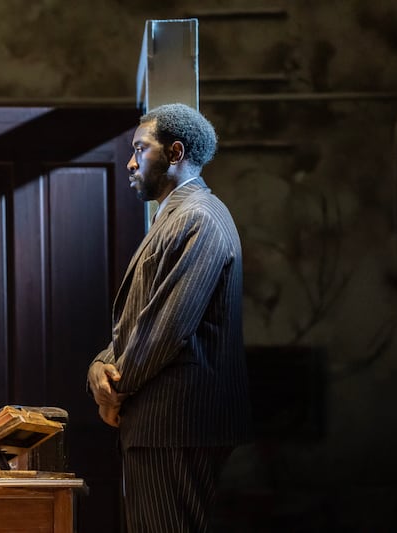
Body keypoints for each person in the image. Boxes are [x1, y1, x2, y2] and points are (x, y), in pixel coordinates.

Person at [87, 103, 252, 532]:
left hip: (175, 423)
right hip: (162, 424)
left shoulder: (198, 217)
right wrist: (100, 367)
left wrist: (116, 388)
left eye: (140, 149)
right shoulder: (177, 217)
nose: (130, 161)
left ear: (175, 153)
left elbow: (167, 328)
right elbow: (140, 320)